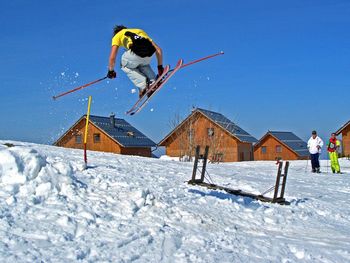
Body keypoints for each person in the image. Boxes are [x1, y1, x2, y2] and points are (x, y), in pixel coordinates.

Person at [107, 25, 164, 98]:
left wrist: (111, 71)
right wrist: (160, 67)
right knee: (142, 64)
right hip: (149, 54)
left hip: (136, 52)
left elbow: (112, 58)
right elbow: (158, 50)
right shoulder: (139, 31)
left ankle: (143, 86)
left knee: (123, 64)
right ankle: (152, 81)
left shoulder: (117, 35)